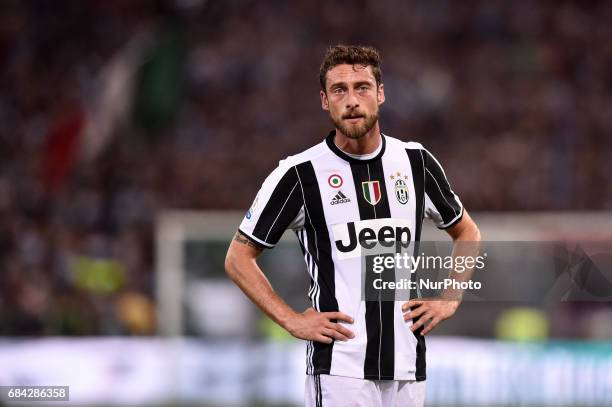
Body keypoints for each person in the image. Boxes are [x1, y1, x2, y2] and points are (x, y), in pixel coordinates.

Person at [225, 44, 481, 407]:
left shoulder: (416, 162)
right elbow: (238, 257)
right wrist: (291, 320)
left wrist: (449, 299)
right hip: (339, 368)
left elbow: (467, 232)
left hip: (407, 366)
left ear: (380, 94)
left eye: (362, 87)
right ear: (325, 101)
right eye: (339, 90)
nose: (352, 100)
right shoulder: (299, 174)